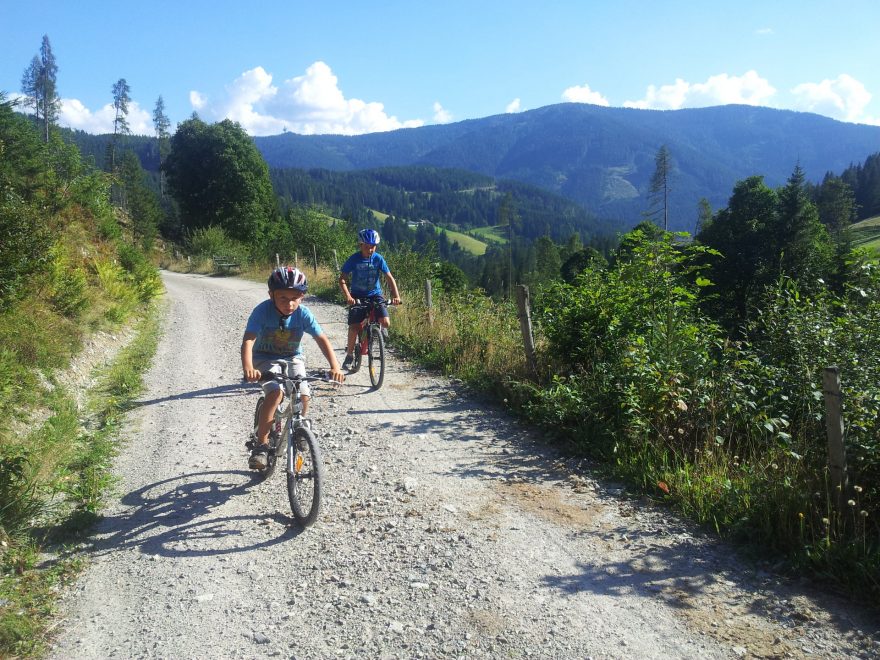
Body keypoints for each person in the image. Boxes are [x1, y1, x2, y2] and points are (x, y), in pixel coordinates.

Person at [242, 266, 344, 470]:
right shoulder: (262, 311)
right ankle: (261, 444)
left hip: (293, 357)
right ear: (271, 295)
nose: (289, 304)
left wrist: (335, 366)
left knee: (303, 391)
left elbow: (321, 338)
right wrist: (248, 367)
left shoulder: (303, 314)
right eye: (283, 298)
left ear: (302, 297)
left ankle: (299, 426)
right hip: (264, 358)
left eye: (295, 298)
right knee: (275, 393)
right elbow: (248, 340)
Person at [338, 228, 401, 370]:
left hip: (375, 294)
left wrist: (396, 296)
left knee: (386, 322)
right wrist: (348, 296)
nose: (370, 250)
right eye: (367, 247)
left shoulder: (378, 259)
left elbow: (389, 278)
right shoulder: (354, 259)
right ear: (360, 245)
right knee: (354, 327)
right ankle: (349, 355)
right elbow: (342, 279)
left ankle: (376, 330)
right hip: (357, 295)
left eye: (373, 246)